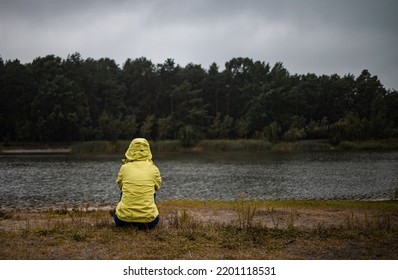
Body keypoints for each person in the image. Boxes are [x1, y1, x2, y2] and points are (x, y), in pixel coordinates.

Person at [114, 138, 162, 230]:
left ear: (130, 150)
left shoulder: (124, 168)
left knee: (124, 191)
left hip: (122, 221)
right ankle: (146, 214)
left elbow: (120, 186)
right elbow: (157, 187)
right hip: (150, 222)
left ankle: (125, 213)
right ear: (148, 150)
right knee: (152, 191)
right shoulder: (154, 169)